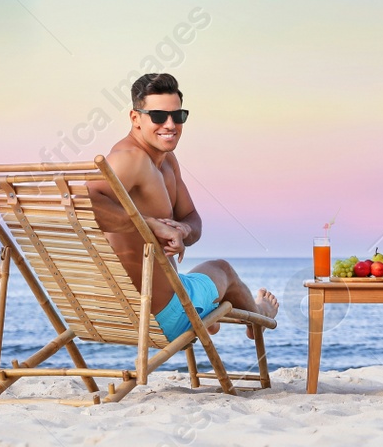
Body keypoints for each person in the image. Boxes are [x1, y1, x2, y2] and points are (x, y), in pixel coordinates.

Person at [88, 72, 278, 342]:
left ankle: (207, 310)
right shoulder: (130, 159)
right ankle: (259, 314)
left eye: (178, 116)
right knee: (223, 269)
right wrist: (149, 225)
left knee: (203, 276)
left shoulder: (166, 161)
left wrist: (183, 229)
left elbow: (192, 219)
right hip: (159, 316)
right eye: (158, 116)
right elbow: (82, 201)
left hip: (132, 309)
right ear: (135, 118)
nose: (170, 124)